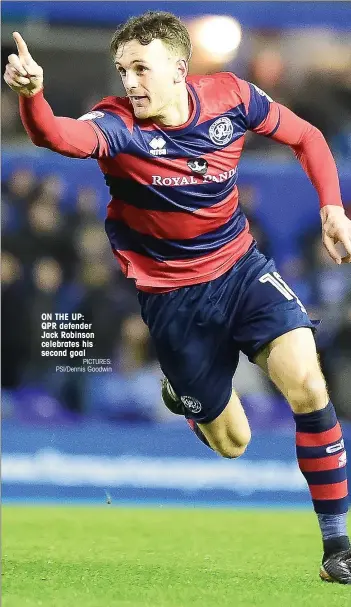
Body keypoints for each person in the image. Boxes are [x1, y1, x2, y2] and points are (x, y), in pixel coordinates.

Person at [4, 10, 351, 584]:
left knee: (308, 383)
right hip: (174, 302)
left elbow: (306, 136)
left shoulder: (231, 97)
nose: (131, 82)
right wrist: (33, 97)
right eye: (123, 70)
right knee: (234, 442)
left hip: (242, 271)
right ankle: (183, 393)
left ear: (179, 69)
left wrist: (332, 208)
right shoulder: (116, 126)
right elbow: (56, 136)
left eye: (141, 68)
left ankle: (337, 547)